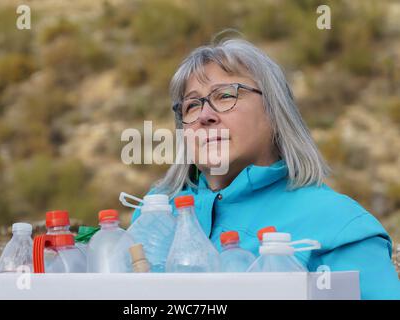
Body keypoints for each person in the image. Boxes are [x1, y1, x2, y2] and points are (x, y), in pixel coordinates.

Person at [131, 37, 400, 299]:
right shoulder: (154, 214)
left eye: (225, 96)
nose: (204, 116)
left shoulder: (337, 225)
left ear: (275, 111)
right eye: (192, 105)